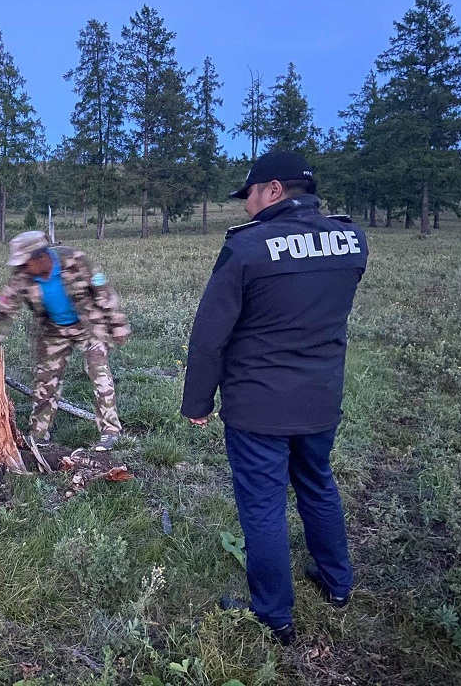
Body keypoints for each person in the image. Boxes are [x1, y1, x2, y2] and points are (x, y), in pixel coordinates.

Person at [180, 150, 368, 644]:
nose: (246, 207)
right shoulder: (352, 240)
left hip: (258, 405)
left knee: (263, 507)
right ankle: (337, 582)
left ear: (275, 190)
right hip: (321, 398)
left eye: (251, 195)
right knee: (318, 484)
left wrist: (197, 402)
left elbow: (209, 336)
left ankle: (274, 616)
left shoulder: (247, 249)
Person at [0, 231, 130, 451]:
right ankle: (38, 434)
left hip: (88, 326)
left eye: (26, 262)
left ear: (40, 256)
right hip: (53, 331)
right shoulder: (23, 277)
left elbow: (103, 291)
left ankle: (110, 432)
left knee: (99, 373)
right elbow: (2, 312)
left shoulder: (74, 260)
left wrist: (118, 324)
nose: (23, 267)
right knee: (45, 380)